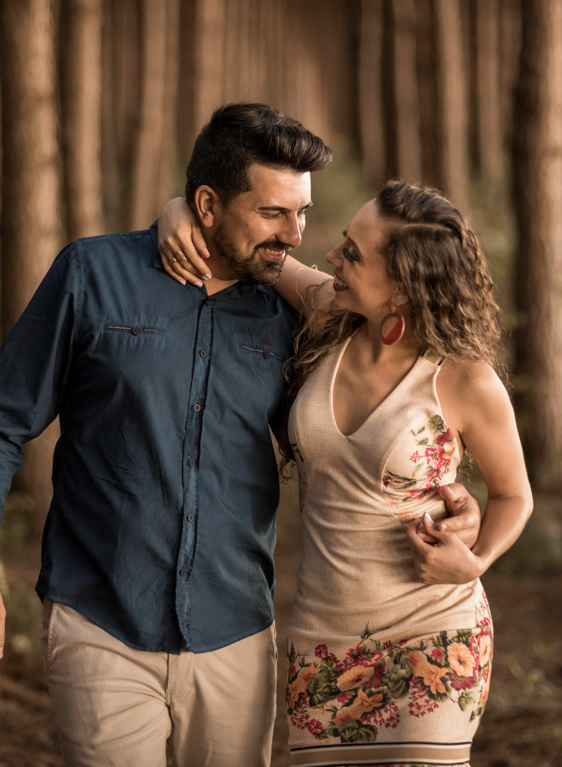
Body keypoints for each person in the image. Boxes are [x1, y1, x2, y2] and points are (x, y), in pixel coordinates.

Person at [0, 103, 484, 767]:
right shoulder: (94, 276)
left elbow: (384, 415)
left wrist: (452, 499)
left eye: (303, 213)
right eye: (274, 213)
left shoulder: (299, 321)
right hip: (99, 619)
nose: (295, 234)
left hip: (236, 634)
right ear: (206, 203)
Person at [158, 179, 533, 766]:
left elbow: (514, 494)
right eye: (343, 242)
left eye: (354, 253)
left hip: (434, 632)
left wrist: (477, 558)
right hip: (324, 644)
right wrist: (180, 209)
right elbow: (263, 255)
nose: (333, 256)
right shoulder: (329, 311)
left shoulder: (464, 377)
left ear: (405, 286)